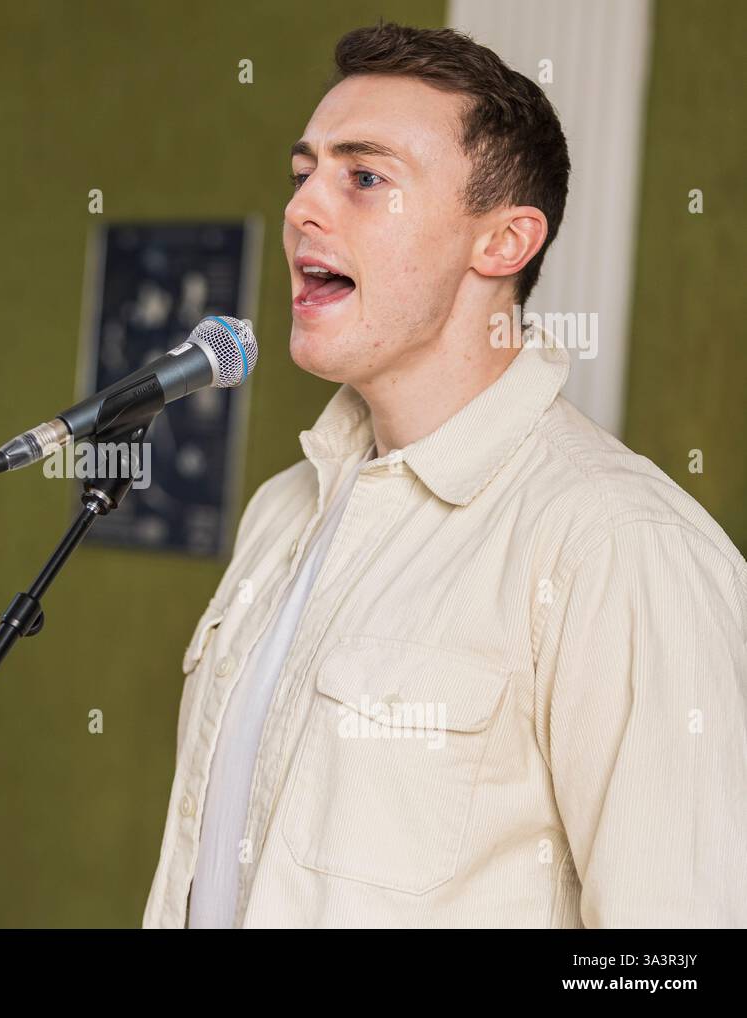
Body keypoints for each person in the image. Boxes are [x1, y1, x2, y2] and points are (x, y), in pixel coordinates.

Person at [143, 22, 747, 928]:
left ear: (503, 241)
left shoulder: (620, 547)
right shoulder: (284, 512)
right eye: (302, 172)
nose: (304, 207)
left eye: (364, 176)